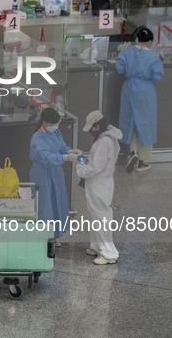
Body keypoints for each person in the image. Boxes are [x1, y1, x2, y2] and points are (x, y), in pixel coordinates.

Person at [75, 110, 121, 265]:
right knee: (96, 215)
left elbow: (96, 166)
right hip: (102, 182)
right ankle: (96, 246)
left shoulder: (103, 142)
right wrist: (83, 158)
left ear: (97, 126)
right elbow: (97, 160)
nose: (90, 131)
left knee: (101, 217)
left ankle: (109, 253)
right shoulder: (109, 137)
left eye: (92, 127)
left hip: (98, 183)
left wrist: (80, 167)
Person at [116, 26, 164, 173]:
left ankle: (133, 152)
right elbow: (158, 76)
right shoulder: (153, 57)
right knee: (145, 122)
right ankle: (142, 160)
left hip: (129, 88)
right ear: (150, 41)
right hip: (145, 90)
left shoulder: (127, 52)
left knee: (130, 121)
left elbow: (119, 68)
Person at [29, 107, 80, 244]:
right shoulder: (37, 138)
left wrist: (70, 151)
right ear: (45, 123)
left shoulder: (55, 131)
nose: (56, 126)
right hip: (42, 174)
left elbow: (61, 146)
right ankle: (45, 236)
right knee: (45, 205)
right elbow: (45, 156)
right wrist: (64, 157)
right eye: (54, 124)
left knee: (57, 201)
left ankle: (55, 234)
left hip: (56, 172)